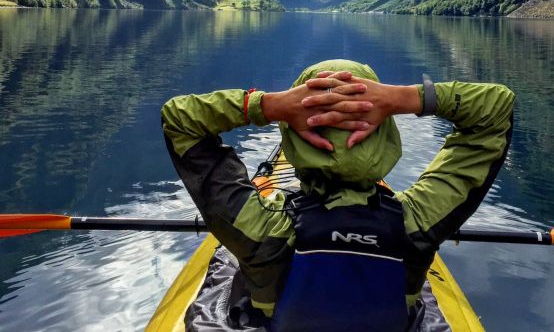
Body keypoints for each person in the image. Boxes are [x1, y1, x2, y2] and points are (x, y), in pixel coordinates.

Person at [161, 59, 515, 331]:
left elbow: (180, 121)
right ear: (384, 134)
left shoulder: (263, 230)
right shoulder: (417, 223)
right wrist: (404, 98)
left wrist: (267, 105)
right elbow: (496, 110)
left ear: (294, 135)